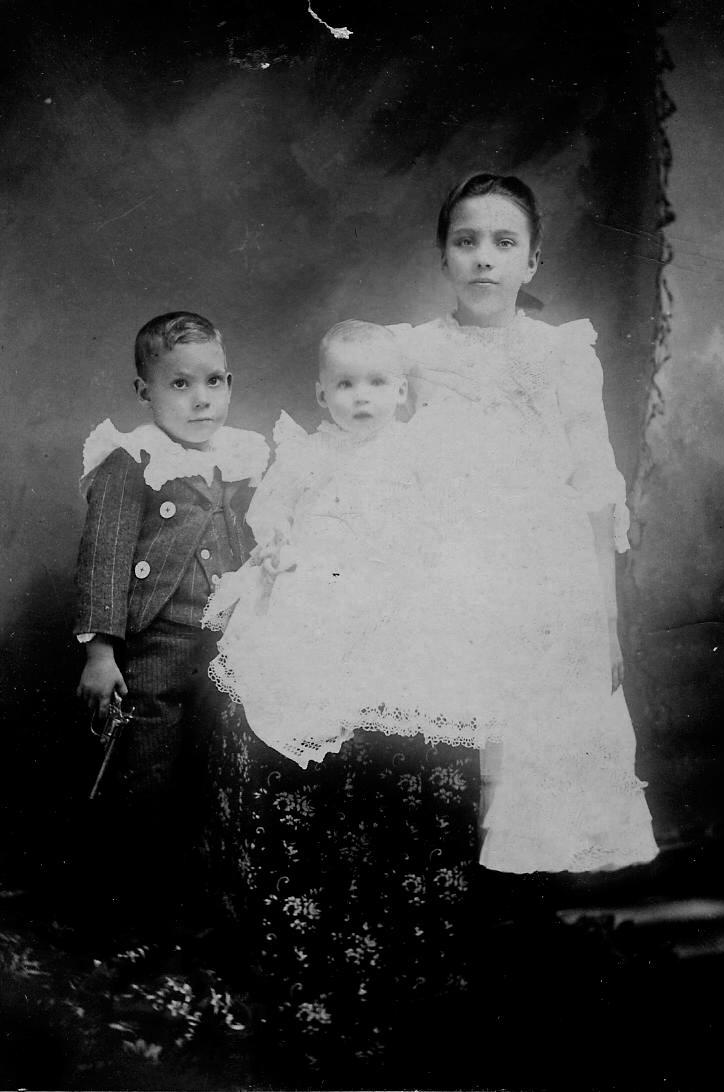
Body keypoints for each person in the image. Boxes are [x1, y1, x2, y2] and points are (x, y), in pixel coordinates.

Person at [201, 320, 480, 1083]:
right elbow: (272, 513)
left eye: (378, 384)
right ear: (321, 393)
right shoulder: (306, 452)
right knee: (297, 705)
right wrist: (276, 544)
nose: (363, 398)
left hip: (395, 603)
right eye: (346, 385)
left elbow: (445, 527)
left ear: (402, 391)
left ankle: (410, 963)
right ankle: (301, 964)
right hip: (318, 601)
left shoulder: (417, 453)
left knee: (407, 745)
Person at [387, 172, 659, 881]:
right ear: (443, 257)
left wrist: (605, 619)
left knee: (537, 743)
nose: (484, 257)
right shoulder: (410, 353)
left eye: (504, 243)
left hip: (547, 574)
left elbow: (594, 488)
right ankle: (454, 898)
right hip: (450, 567)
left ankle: (521, 902)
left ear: (532, 262)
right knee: (457, 741)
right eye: (466, 241)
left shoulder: (561, 354)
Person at [73, 310, 269, 934]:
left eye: (213, 381)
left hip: (227, 645)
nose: (200, 399)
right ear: (145, 391)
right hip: (156, 644)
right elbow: (104, 558)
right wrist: (101, 652)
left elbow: (254, 541)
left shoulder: (241, 457)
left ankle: (205, 897)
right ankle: (140, 906)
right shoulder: (131, 460)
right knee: (149, 771)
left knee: (217, 767)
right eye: (179, 384)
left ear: (229, 384)